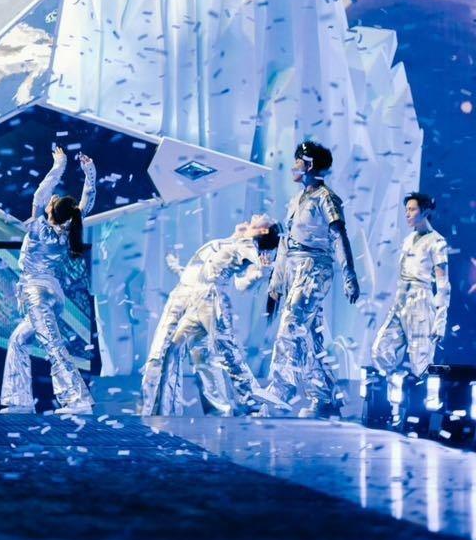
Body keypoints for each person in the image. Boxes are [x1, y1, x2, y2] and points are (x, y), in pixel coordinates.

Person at [140, 216, 280, 416]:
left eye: (264, 219)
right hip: (187, 296)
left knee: (222, 354)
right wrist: (176, 267)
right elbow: (199, 272)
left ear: (262, 231)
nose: (257, 216)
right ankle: (164, 409)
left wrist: (261, 272)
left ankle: (244, 403)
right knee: (176, 349)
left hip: (209, 301)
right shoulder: (227, 242)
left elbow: (243, 282)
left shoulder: (246, 247)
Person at [265, 140, 361, 417]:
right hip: (294, 267)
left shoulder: (325, 198)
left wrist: (349, 274)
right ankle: (325, 397)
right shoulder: (296, 200)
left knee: (291, 326)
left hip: (314, 268)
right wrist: (276, 284)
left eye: (298, 161)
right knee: (311, 334)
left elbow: (339, 236)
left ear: (309, 165)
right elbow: (286, 243)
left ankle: (280, 392)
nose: (293, 166)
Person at [0, 146, 96, 415]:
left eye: (53, 203)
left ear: (51, 212)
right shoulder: (67, 231)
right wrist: (89, 172)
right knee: (18, 340)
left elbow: (40, 193)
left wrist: (59, 165)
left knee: (52, 345)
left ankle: (77, 400)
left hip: (37, 293)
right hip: (51, 294)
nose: (50, 201)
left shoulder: (39, 228)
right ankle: (19, 401)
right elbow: (87, 200)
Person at [369, 192, 451, 378]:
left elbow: (443, 284)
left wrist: (440, 320)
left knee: (420, 362)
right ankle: (395, 387)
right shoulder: (408, 240)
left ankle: (422, 393)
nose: (407, 214)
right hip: (401, 299)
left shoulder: (437, 242)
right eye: (406, 210)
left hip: (421, 301)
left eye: (412, 209)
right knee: (381, 350)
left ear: (425, 212)